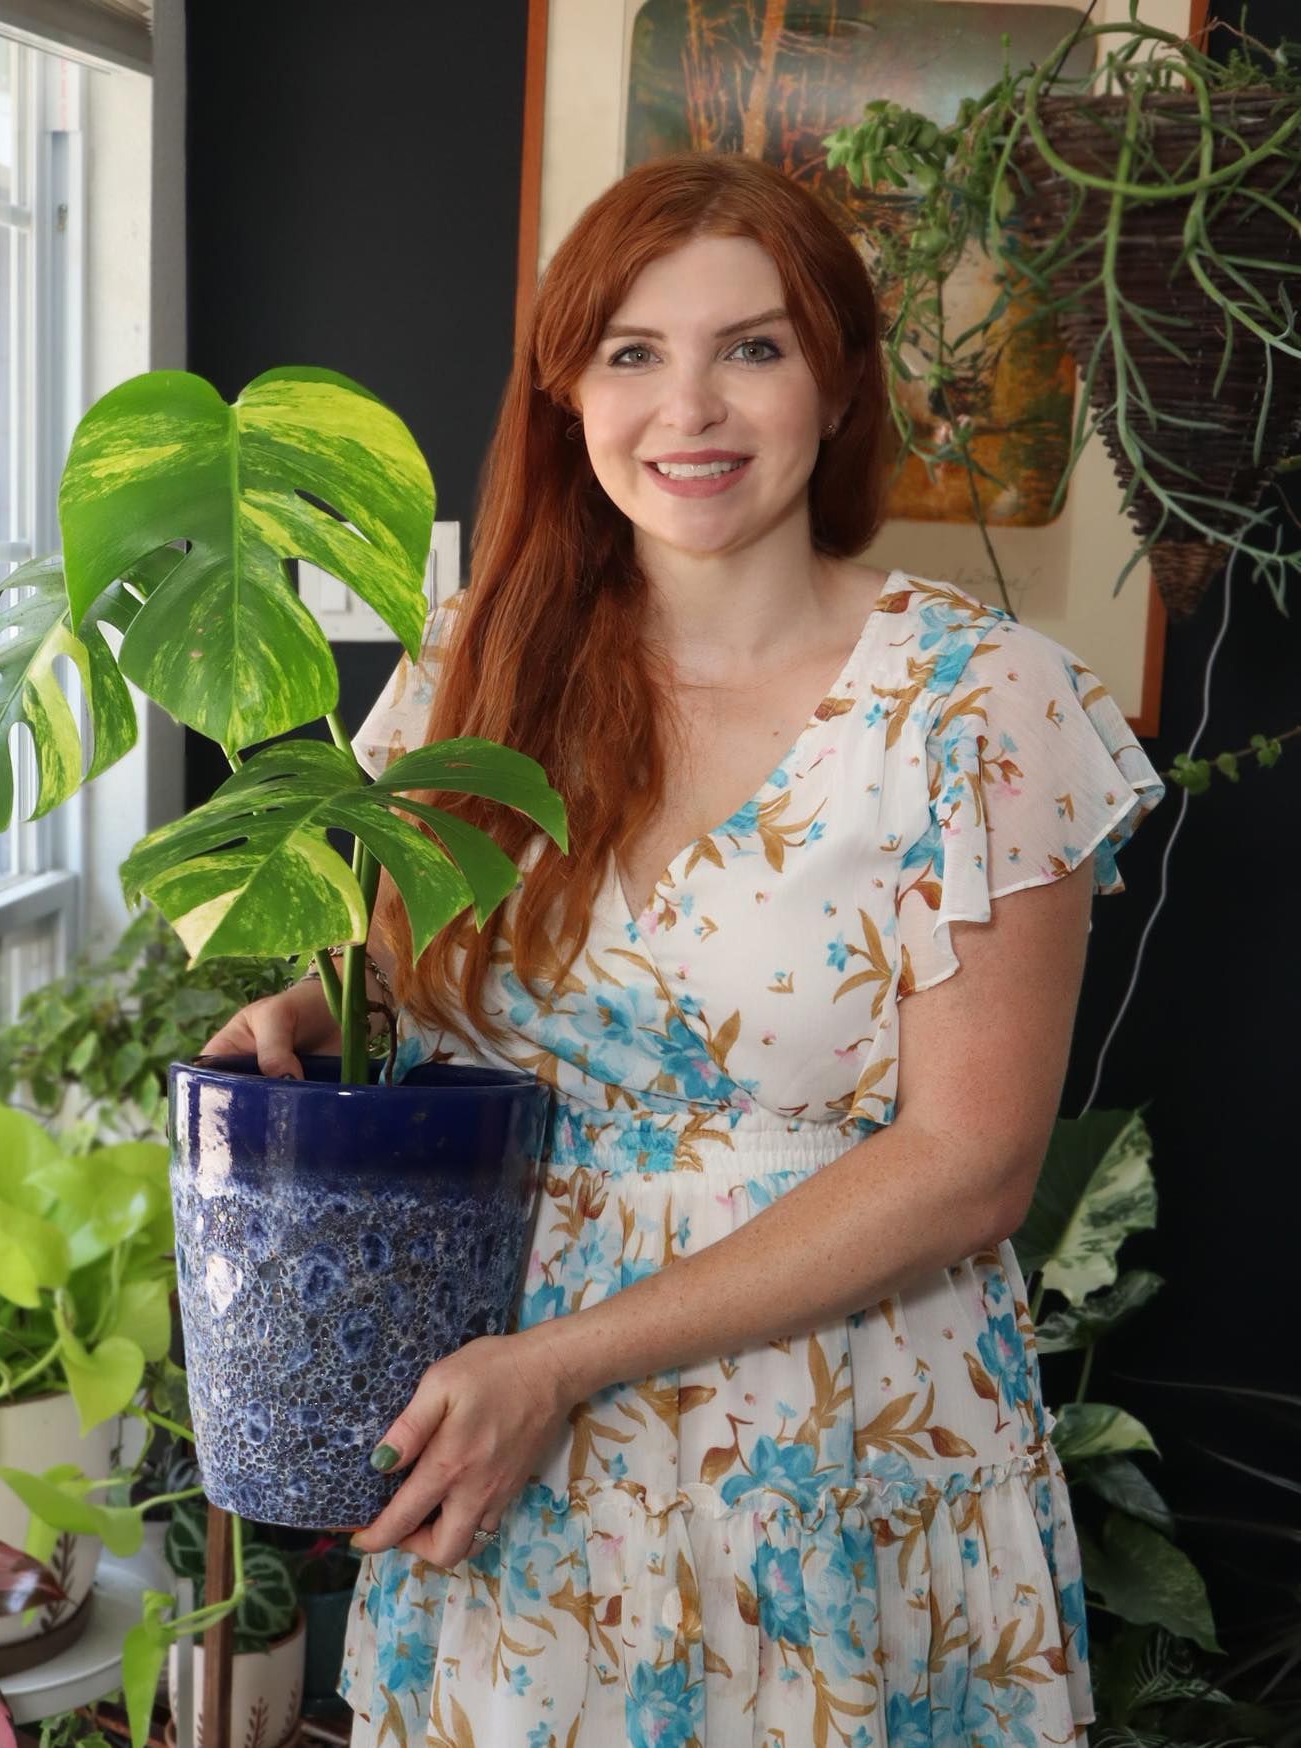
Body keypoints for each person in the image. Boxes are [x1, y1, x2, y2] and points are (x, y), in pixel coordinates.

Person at [204, 151, 1165, 1747]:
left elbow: (972, 1167)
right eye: (634, 353)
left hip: (838, 1446)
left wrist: (564, 1363)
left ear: (839, 383)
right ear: (569, 390)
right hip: (511, 1445)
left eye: (754, 348)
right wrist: (306, 1009)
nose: (690, 410)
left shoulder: (980, 702)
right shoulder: (476, 670)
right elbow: (434, 961)